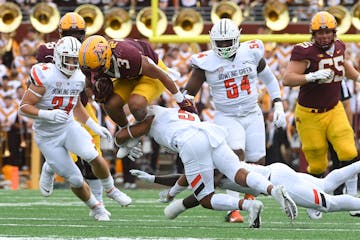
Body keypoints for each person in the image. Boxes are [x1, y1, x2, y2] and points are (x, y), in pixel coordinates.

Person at [115, 105, 298, 228]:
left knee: (206, 198)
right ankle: (273, 189)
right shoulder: (172, 111)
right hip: (210, 133)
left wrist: (171, 194)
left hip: (190, 143)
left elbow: (123, 136)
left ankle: (248, 205)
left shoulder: (147, 119)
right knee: (238, 172)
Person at [183, 18, 286, 222]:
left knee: (258, 162)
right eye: (219, 43)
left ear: (237, 39)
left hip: (252, 112)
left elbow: (269, 79)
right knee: (235, 158)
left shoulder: (251, 52)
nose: (223, 47)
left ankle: (250, 204)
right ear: (212, 41)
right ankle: (234, 209)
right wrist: (189, 119)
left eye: (227, 42)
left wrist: (278, 103)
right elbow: (187, 95)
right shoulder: (205, 62)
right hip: (226, 116)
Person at [19, 36, 131, 221]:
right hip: (47, 136)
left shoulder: (79, 77)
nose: (71, 64)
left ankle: (111, 190)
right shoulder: (45, 75)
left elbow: (76, 104)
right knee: (76, 179)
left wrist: (94, 126)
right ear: (57, 57)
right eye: (68, 59)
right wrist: (48, 114)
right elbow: (23, 108)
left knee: (92, 155)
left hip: (69, 126)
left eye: (74, 60)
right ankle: (96, 208)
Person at [35, 12, 110, 216]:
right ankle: (51, 166)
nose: (75, 37)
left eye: (78, 33)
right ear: (61, 32)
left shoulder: (91, 48)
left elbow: (94, 80)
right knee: (72, 158)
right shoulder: (48, 51)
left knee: (93, 153)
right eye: (70, 33)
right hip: (59, 107)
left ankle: (102, 200)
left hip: (81, 105)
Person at [283, 11, 360, 203]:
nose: (324, 36)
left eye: (327, 32)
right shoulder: (304, 51)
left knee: (349, 150)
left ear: (335, 32)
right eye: (319, 33)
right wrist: (310, 77)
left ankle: (352, 198)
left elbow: (344, 66)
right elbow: (287, 79)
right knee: (317, 163)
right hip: (309, 114)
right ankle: (315, 200)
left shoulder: (340, 46)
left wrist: (358, 77)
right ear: (313, 34)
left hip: (334, 109)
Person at [130, 158, 360, 220]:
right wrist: (153, 178)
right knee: (325, 184)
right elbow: (190, 182)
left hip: (279, 181)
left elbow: (193, 186)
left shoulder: (211, 166)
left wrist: (173, 197)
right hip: (276, 171)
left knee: (329, 204)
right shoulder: (212, 158)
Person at [77, 35, 197, 130]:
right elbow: (88, 86)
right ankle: (127, 133)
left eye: (97, 69)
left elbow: (161, 74)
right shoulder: (89, 64)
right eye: (91, 70)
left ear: (107, 57)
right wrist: (96, 95)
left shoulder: (127, 56)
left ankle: (147, 124)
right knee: (110, 105)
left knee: (135, 105)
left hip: (150, 73)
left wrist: (181, 100)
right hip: (126, 76)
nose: (94, 74)